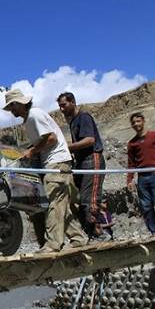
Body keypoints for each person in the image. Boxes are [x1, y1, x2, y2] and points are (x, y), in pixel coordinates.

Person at [3, 89, 87, 252]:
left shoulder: (34, 114)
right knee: (60, 203)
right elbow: (43, 139)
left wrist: (32, 151)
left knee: (53, 202)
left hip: (56, 162)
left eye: (12, 106)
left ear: (19, 103)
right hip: (54, 162)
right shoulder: (28, 120)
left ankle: (53, 244)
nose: (11, 110)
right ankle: (79, 238)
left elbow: (51, 138)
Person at [57, 92, 106, 239]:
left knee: (89, 200)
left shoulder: (83, 117)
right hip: (81, 162)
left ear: (72, 102)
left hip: (92, 159)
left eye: (63, 105)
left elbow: (90, 140)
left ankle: (100, 234)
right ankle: (91, 233)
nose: (61, 109)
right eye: (59, 106)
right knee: (77, 198)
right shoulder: (73, 122)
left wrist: (67, 147)